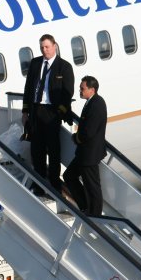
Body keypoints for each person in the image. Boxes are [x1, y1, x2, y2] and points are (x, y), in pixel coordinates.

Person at [22, 34, 74, 191]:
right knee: (36, 149)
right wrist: (25, 111)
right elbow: (28, 88)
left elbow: (67, 93)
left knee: (53, 150)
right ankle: (39, 183)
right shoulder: (35, 63)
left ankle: (54, 183)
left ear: (54, 46)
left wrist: (59, 112)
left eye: (47, 47)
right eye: (42, 47)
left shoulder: (64, 67)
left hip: (52, 112)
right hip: (36, 109)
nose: (44, 50)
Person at [63, 76, 107, 217]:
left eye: (82, 88)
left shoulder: (97, 104)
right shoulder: (91, 102)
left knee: (92, 187)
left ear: (92, 90)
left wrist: (76, 137)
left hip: (90, 154)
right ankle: (85, 206)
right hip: (84, 153)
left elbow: (89, 131)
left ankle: (95, 216)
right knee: (69, 176)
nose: (80, 91)